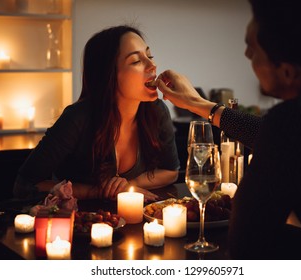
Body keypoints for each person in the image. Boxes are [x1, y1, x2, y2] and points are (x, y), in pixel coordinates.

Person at [156, 0, 301, 259]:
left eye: (252, 49)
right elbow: (269, 132)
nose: (246, 55)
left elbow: (248, 244)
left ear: (287, 72)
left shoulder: (290, 125)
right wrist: (198, 104)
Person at [13, 25, 180, 202]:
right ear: (109, 74)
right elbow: (25, 185)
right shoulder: (77, 118)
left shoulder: (157, 111)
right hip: (77, 223)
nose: (152, 65)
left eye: (149, 56)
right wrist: (97, 191)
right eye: (136, 61)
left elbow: (171, 171)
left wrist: (127, 185)